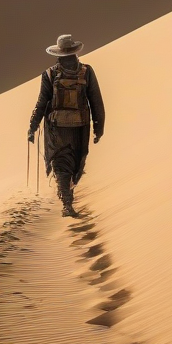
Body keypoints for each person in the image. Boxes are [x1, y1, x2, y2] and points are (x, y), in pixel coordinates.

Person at [28, 33, 105, 217]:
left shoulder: (49, 74)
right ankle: (68, 200)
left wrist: (32, 126)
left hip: (57, 129)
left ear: (58, 54)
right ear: (74, 52)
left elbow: (41, 103)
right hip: (80, 127)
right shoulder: (86, 71)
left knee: (61, 164)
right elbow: (96, 101)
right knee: (75, 165)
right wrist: (98, 128)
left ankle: (66, 202)